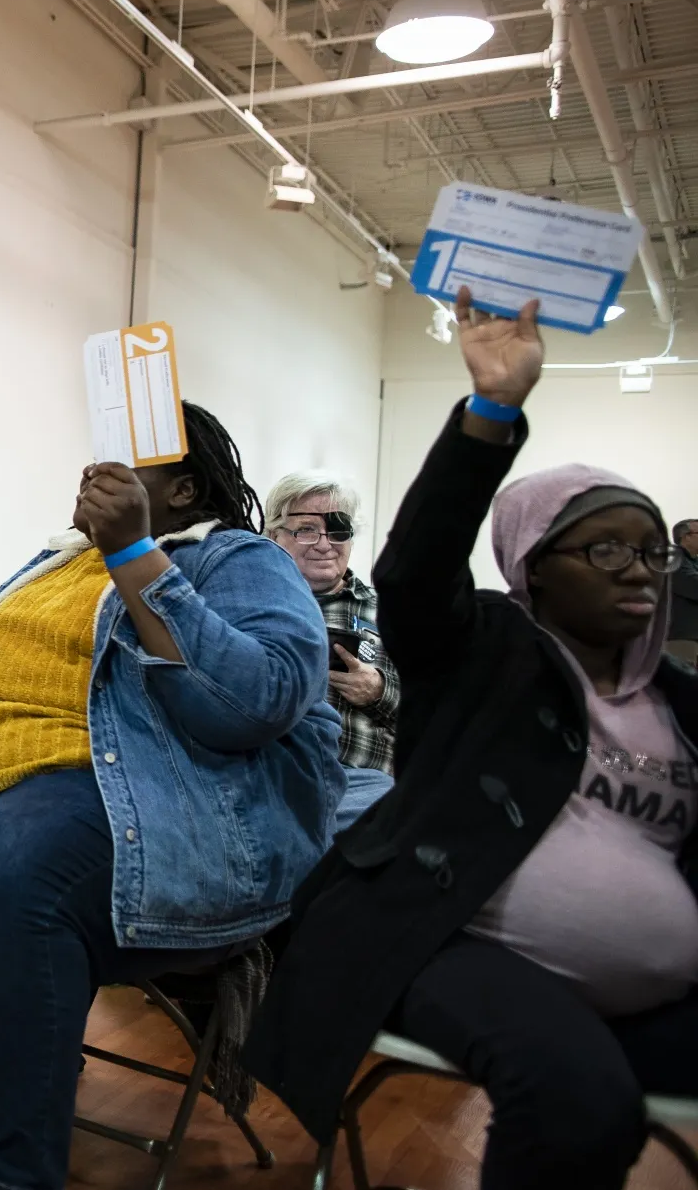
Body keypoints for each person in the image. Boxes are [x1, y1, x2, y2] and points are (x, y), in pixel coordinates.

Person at [0, 403, 342, 1190]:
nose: (97, 470)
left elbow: (253, 704)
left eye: (131, 461)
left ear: (184, 491)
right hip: (0, 778)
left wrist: (135, 553)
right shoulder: (55, 561)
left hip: (153, 800)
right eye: (99, 455)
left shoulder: (235, 558)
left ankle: (17, 1172)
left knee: (2, 876)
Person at [247, 291, 698, 1190]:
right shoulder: (493, 646)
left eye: (652, 550)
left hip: (649, 980)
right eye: (603, 550)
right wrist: (493, 408)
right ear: (534, 565)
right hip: (456, 938)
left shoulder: (680, 702)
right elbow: (417, 567)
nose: (639, 569)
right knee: (579, 1101)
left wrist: (374, 693)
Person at [264, 471, 400, 830]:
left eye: (338, 528)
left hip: (357, 783)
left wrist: (378, 692)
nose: (325, 543)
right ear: (274, 535)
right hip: (263, 773)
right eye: (306, 529)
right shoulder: (251, 604)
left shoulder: (392, 614)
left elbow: (437, 714)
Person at [671, 518, 698, 667]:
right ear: (686, 537)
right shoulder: (674, 558)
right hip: (679, 637)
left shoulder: (693, 562)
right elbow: (694, 585)